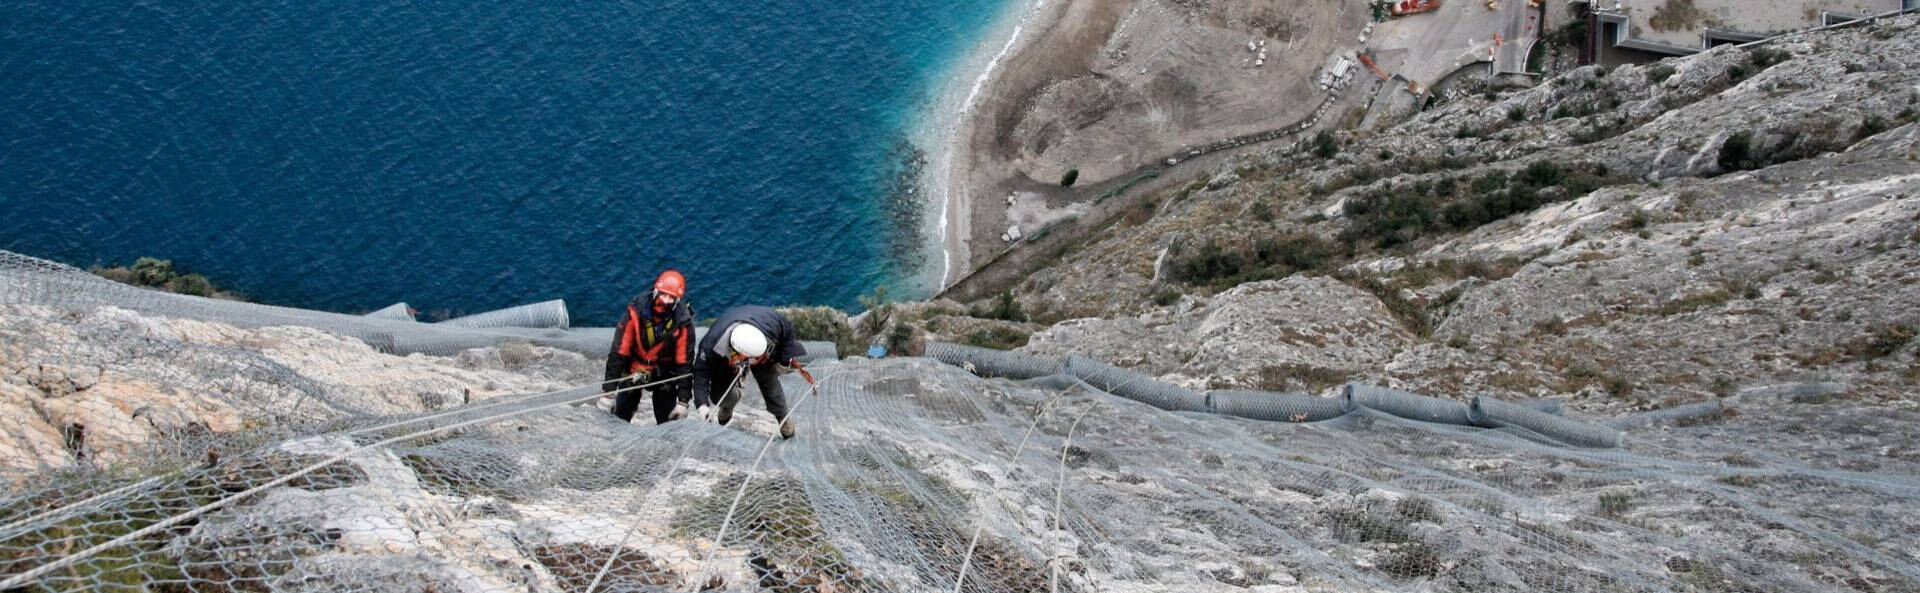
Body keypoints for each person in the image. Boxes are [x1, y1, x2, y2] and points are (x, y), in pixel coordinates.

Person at [691, 305, 808, 439]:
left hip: (759, 341)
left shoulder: (773, 325)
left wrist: (783, 362)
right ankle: (728, 405)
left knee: (768, 380)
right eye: (750, 359)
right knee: (719, 393)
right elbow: (701, 373)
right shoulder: (711, 345)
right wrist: (702, 405)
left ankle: (782, 418)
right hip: (727, 355)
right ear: (736, 353)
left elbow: (787, 333)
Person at [603, 269, 696, 424]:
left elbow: (684, 362)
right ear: (656, 291)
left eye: (671, 297)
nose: (666, 301)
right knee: (621, 413)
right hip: (634, 368)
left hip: (664, 374)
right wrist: (609, 391)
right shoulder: (636, 311)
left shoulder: (682, 322)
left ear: (677, 299)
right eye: (664, 295)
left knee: (667, 419)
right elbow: (620, 350)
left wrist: (683, 401)